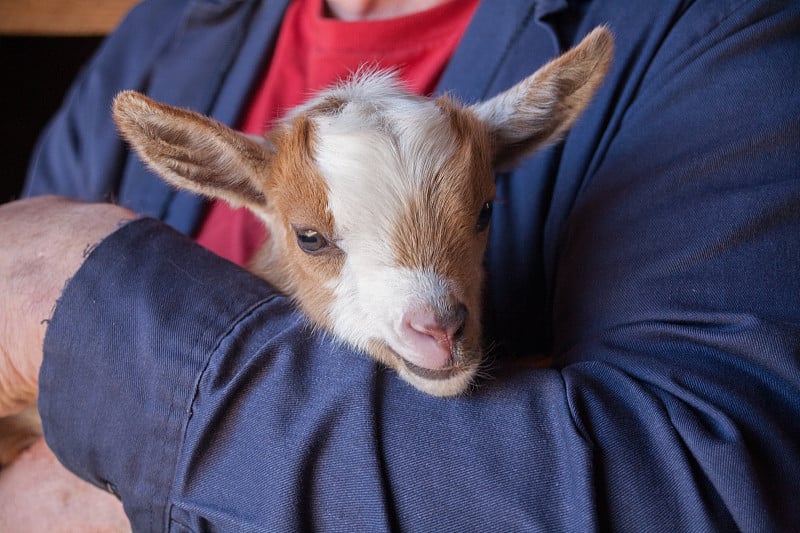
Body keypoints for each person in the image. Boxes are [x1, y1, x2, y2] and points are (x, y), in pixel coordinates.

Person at [1, 0, 799, 530]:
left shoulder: (715, 28)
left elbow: (708, 486)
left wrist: (124, 462)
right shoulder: (166, 27)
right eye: (316, 238)